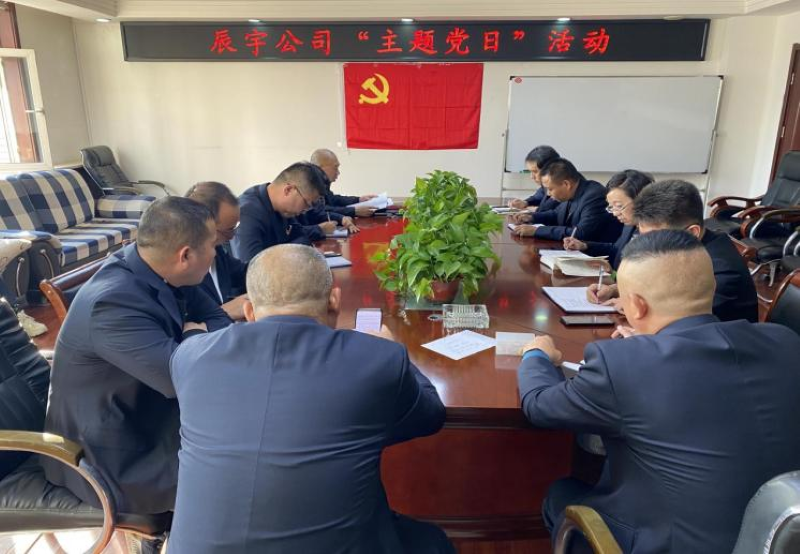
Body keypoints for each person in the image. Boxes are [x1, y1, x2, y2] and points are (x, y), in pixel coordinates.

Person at [518, 230, 800, 554]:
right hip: (782, 538)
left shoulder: (622, 364)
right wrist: (648, 349)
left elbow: (539, 406)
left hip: (671, 545)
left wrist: (536, 354)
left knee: (560, 493)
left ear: (636, 306)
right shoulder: (785, 341)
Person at [168, 244, 453, 554]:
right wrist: (397, 350)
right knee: (431, 541)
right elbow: (431, 416)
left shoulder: (190, 357)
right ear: (334, 300)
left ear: (249, 312)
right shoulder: (378, 359)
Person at [44, 197, 232, 517]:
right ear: (185, 255)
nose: (217, 253)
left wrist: (193, 335)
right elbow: (181, 379)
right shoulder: (112, 304)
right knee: (235, 469)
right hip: (112, 454)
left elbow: (219, 318)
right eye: (214, 246)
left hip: (147, 409)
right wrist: (193, 334)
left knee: (243, 433)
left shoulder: (157, 267)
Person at [588, 180, 759, 323]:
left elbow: (683, 322)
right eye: (643, 235)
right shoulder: (684, 249)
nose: (648, 246)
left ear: (692, 233)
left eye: (656, 238)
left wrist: (630, 304)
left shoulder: (723, 272)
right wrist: (615, 289)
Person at [231, 161, 328, 263]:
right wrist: (291, 252)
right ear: (288, 190)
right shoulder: (247, 213)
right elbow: (251, 266)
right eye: (306, 203)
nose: (305, 211)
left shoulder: (284, 210)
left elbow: (302, 237)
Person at [512, 158, 623, 242]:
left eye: (550, 189)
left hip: (595, 256)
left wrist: (537, 231)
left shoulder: (594, 196)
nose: (548, 194)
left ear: (566, 184)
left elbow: (580, 233)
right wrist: (532, 217)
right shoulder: (572, 192)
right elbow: (557, 214)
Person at [563, 169, 654, 269]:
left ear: (641, 200)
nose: (615, 213)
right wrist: (584, 246)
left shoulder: (656, 234)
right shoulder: (631, 224)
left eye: (619, 206)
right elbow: (616, 250)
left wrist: (612, 274)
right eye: (611, 207)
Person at [185, 181, 250, 320]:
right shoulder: (180, 267)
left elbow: (243, 273)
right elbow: (183, 325)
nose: (232, 236)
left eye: (235, 227)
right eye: (228, 230)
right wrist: (224, 312)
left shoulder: (218, 249)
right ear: (202, 226)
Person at [311, 148, 378, 219]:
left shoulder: (322, 184)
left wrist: (359, 199)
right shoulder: (309, 185)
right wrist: (353, 211)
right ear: (320, 168)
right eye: (335, 167)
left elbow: (334, 199)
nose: (338, 172)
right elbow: (319, 209)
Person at [507, 145, 561, 222]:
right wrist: (525, 202)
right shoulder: (546, 185)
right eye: (530, 172)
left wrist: (534, 211)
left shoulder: (563, 188)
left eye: (535, 172)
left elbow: (548, 210)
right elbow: (538, 196)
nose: (531, 177)